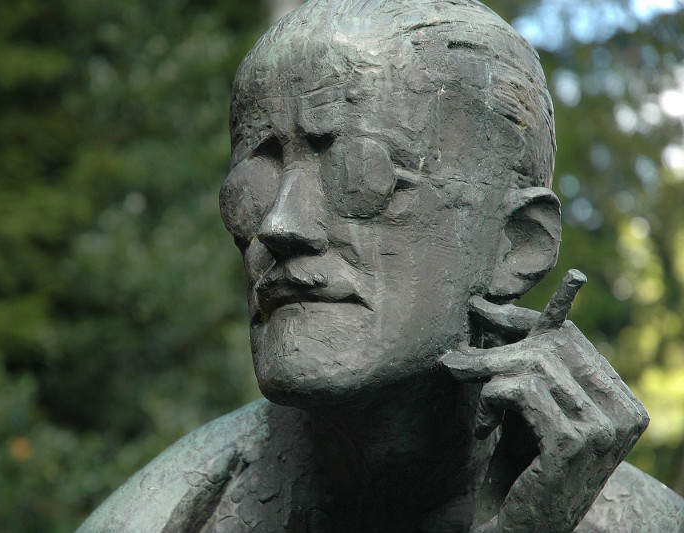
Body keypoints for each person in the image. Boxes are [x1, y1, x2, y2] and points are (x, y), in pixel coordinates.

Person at [78, 0, 684, 531]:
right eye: (253, 185)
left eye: (361, 175)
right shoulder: (168, 515)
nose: (280, 224)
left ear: (517, 245)